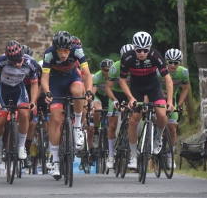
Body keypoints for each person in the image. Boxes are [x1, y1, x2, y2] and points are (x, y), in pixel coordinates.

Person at [41, 31, 93, 177]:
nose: (63, 54)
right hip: (55, 82)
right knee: (56, 119)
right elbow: (44, 78)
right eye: (60, 51)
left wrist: (88, 90)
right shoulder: (49, 54)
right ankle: (55, 161)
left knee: (78, 91)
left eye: (66, 51)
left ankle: (77, 127)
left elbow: (87, 74)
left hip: (72, 78)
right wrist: (47, 92)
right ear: (55, 49)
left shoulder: (77, 50)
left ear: (71, 48)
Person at [119, 31, 174, 169]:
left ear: (149, 48)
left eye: (145, 50)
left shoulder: (155, 56)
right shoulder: (127, 57)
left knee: (162, 115)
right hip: (136, 89)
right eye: (139, 50)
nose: (142, 53)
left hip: (153, 88)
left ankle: (158, 139)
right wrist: (131, 98)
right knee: (133, 119)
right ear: (134, 48)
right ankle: (133, 156)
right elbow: (122, 80)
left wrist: (170, 101)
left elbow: (168, 79)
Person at [0, 40, 38, 164]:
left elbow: (34, 83)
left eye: (19, 60)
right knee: (0, 120)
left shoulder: (31, 62)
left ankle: (21, 146)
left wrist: (33, 101)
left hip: (18, 88)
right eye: (14, 61)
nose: (18, 63)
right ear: (8, 59)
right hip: (2, 88)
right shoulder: (1, 60)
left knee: (25, 114)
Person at [157, 48, 190, 168]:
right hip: (158, 96)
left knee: (172, 128)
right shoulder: (159, 70)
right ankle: (156, 139)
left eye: (175, 63)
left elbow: (185, 89)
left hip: (173, 99)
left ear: (179, 63)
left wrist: (180, 104)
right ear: (166, 62)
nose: (172, 65)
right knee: (158, 119)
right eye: (170, 62)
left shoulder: (184, 72)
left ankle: (170, 155)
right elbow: (154, 85)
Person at [104, 44, 134, 169]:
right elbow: (107, 88)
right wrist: (114, 100)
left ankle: (133, 153)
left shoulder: (137, 67)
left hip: (130, 93)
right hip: (115, 94)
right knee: (112, 124)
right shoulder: (115, 68)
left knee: (134, 120)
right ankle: (111, 154)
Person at [23, 55, 43, 168]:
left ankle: (27, 149)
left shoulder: (36, 68)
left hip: (32, 93)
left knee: (32, 124)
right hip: (18, 92)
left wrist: (33, 100)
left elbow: (38, 87)